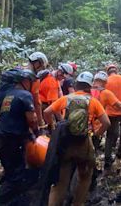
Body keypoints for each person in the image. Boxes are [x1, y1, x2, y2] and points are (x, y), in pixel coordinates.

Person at [44, 72, 110, 206]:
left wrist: (54, 126)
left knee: (61, 182)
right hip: (84, 143)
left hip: (66, 144)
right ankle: (77, 203)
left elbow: (47, 112)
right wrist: (96, 134)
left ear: (76, 84)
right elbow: (106, 123)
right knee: (85, 177)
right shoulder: (93, 101)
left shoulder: (66, 98)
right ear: (89, 87)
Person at [0, 69, 39, 202]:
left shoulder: (8, 94)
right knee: (17, 175)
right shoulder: (25, 95)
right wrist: (36, 132)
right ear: (25, 81)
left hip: (1, 137)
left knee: (10, 170)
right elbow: (32, 119)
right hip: (12, 140)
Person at [91, 71, 121, 153]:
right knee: (115, 134)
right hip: (96, 127)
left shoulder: (86, 91)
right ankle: (116, 153)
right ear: (105, 82)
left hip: (82, 126)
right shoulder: (107, 92)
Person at [28, 52, 49, 129]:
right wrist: (41, 122)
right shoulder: (34, 79)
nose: (41, 69)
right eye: (41, 66)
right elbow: (37, 103)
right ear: (37, 63)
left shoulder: (18, 71)